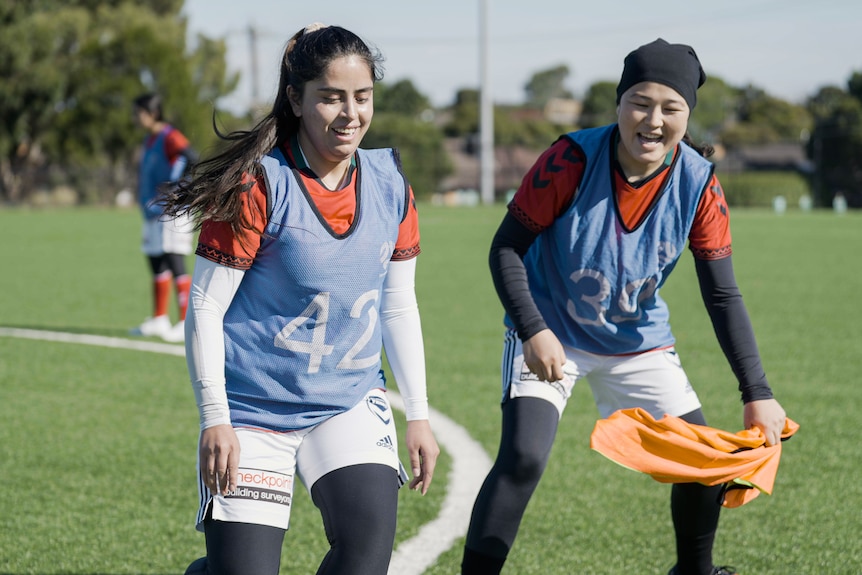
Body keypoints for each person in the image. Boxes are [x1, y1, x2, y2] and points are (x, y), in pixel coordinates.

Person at [461, 39, 787, 575]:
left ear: (687, 115)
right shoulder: (570, 158)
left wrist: (758, 393)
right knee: (522, 458)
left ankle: (694, 572)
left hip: (638, 343)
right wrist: (533, 328)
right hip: (552, 331)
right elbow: (506, 248)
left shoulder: (700, 183)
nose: (653, 119)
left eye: (671, 107)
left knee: (703, 463)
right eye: (640, 101)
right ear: (618, 104)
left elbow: (722, 293)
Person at [159, 23, 439, 575]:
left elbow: (398, 305)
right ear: (296, 98)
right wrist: (216, 419)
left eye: (362, 98)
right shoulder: (256, 185)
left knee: (366, 552)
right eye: (331, 98)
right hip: (254, 408)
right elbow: (207, 308)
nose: (350, 114)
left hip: (348, 400)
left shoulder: (390, 183)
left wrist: (420, 416)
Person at [130, 92, 196, 343]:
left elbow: (190, 158)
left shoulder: (170, 136)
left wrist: (174, 187)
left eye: (139, 113)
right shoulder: (150, 139)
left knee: (175, 259)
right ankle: (159, 318)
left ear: (153, 113)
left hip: (172, 211)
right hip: (152, 212)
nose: (136, 118)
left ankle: (184, 321)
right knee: (157, 261)